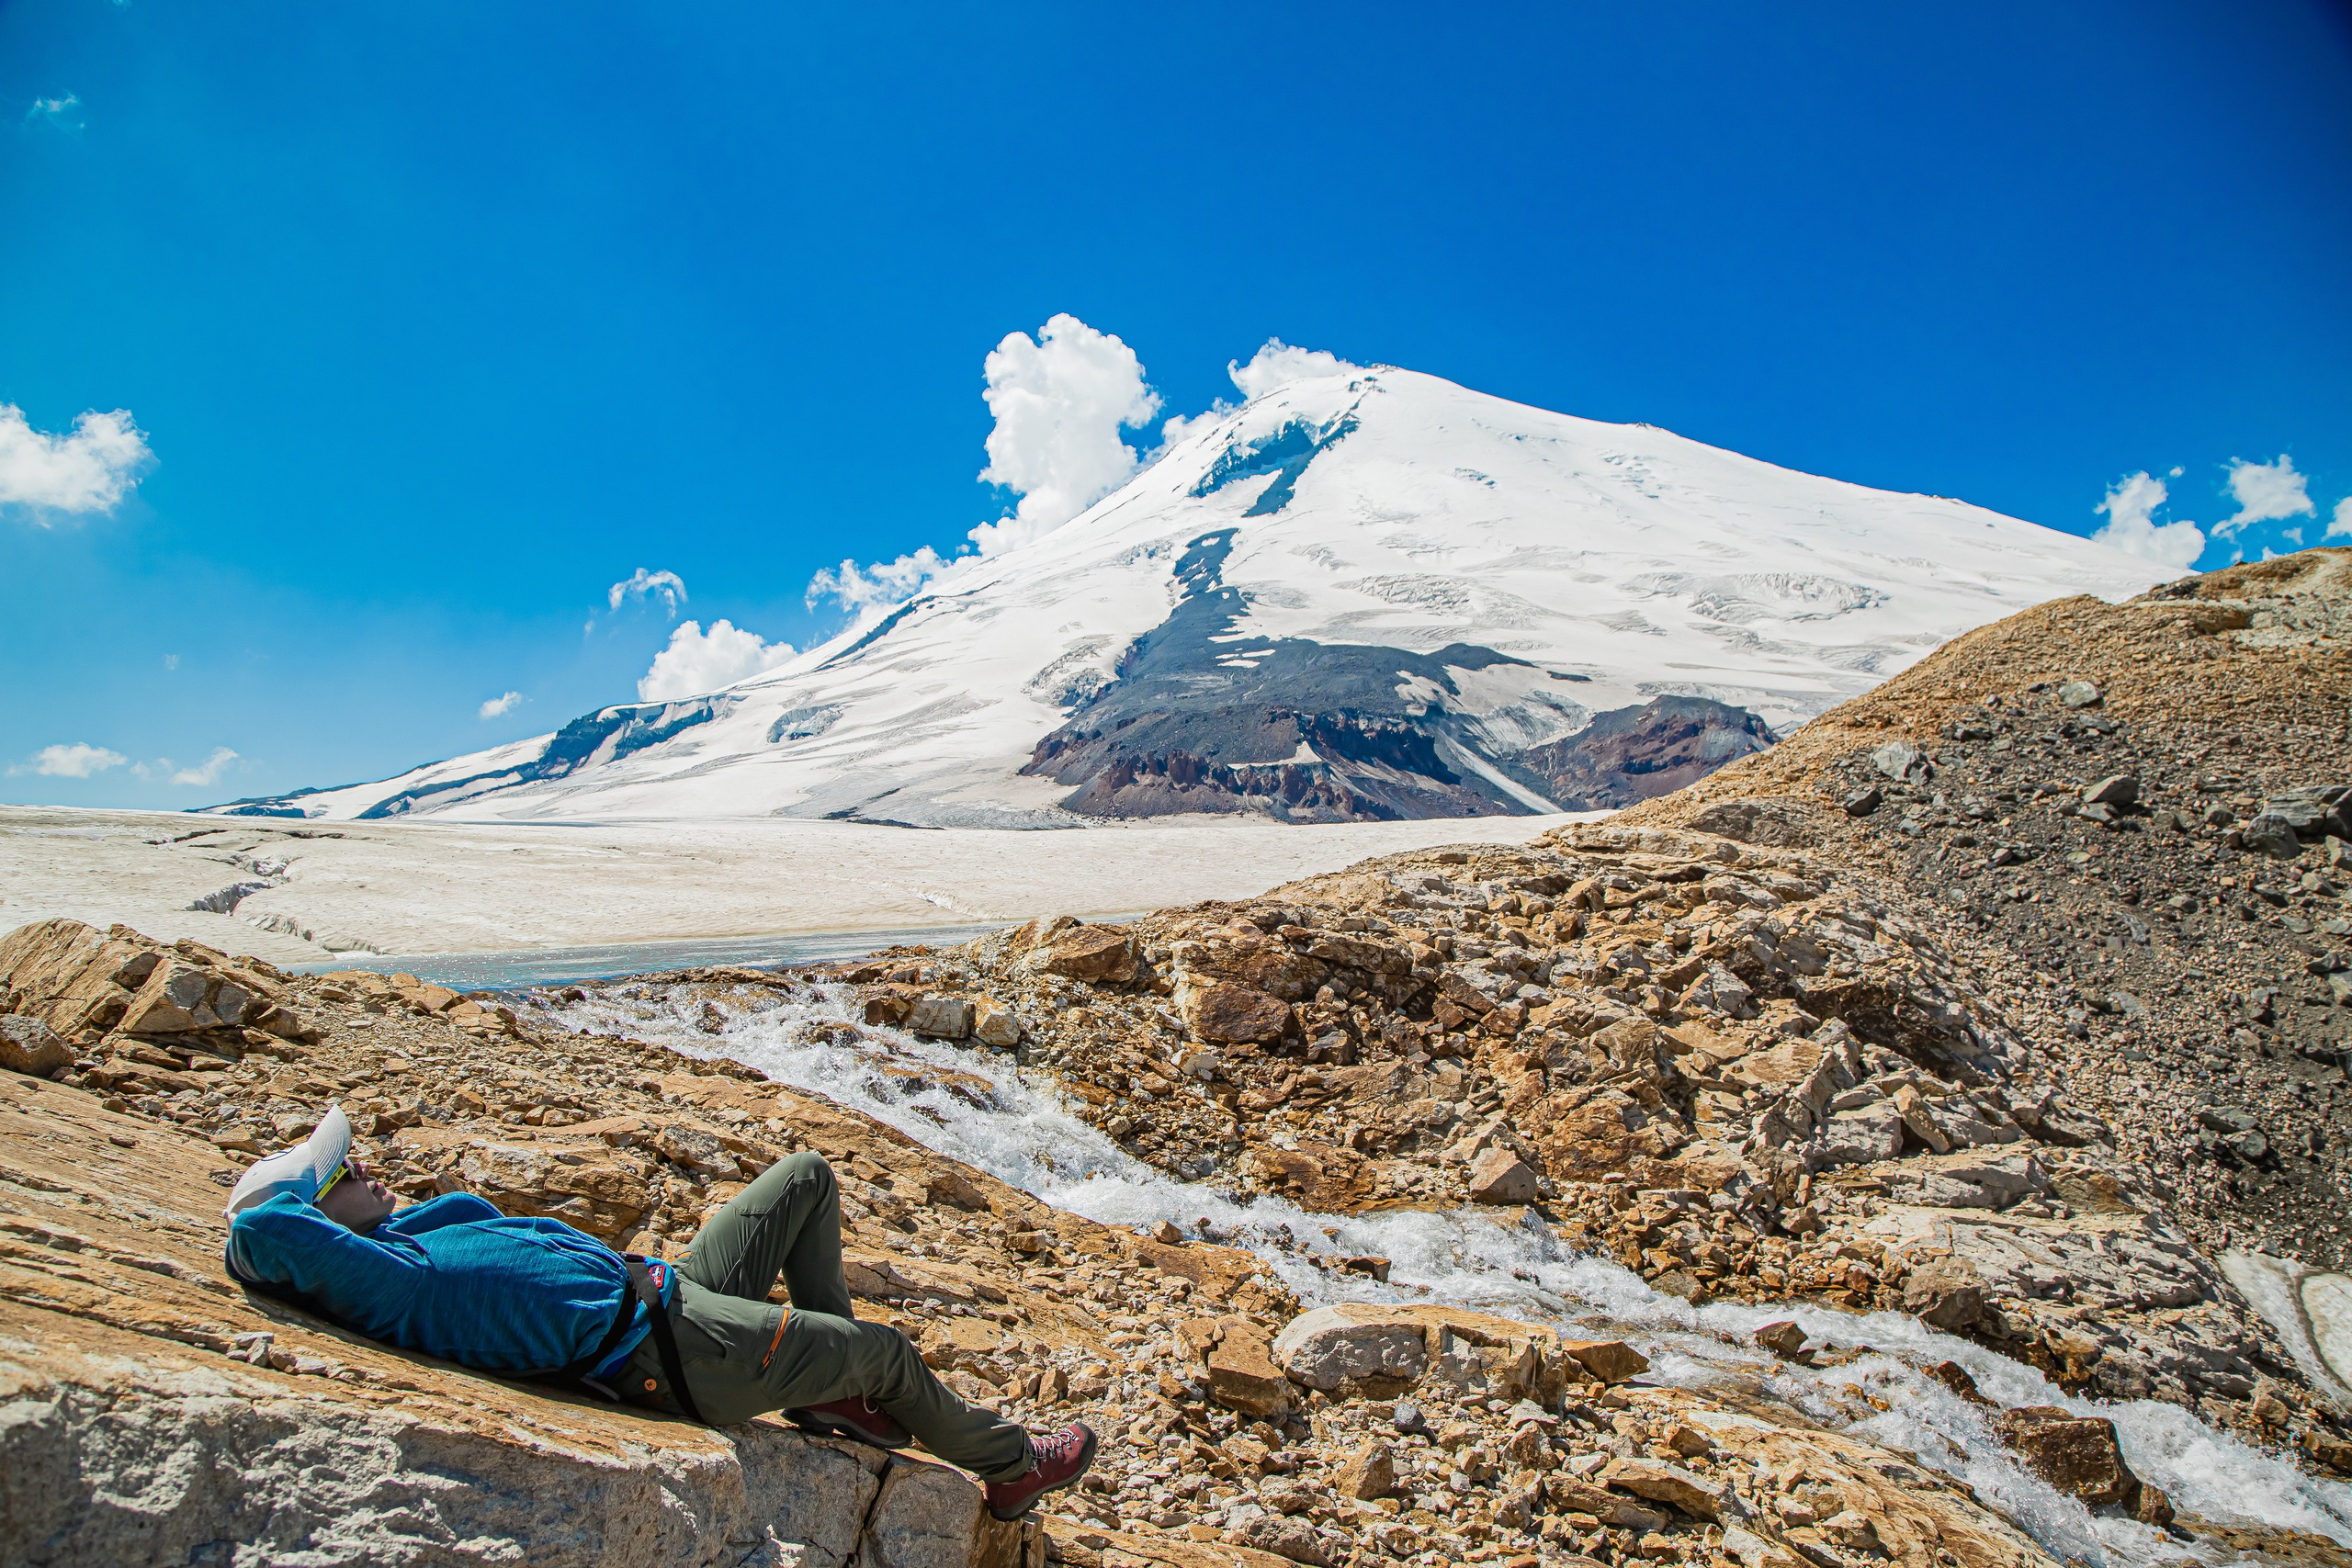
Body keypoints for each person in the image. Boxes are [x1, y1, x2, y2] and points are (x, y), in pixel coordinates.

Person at [223, 1106, 1096, 1521]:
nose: (365, 1166)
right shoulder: (387, 1281)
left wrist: (371, 1202)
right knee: (894, 1353)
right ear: (315, 1218)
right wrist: (295, 1194)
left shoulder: (406, 1245)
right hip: (670, 1349)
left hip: (667, 1291)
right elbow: (262, 1228)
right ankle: (1011, 1466)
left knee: (805, 1176)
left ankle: (833, 1390)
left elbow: (457, 1221)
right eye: (341, 1174)